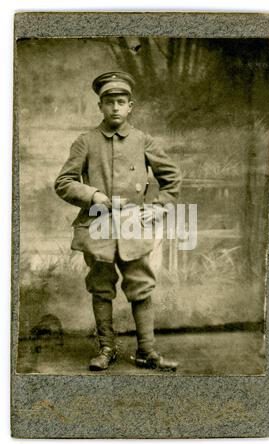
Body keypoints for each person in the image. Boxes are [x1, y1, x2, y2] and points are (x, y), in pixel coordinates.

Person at [55, 71, 182, 372]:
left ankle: (146, 352)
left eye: (121, 102)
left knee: (141, 286)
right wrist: (94, 194)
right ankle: (107, 349)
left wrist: (160, 206)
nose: (115, 108)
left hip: (133, 227)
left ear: (130, 106)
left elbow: (171, 178)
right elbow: (64, 182)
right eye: (109, 102)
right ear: (100, 105)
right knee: (101, 287)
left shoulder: (143, 140)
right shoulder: (85, 142)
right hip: (98, 223)